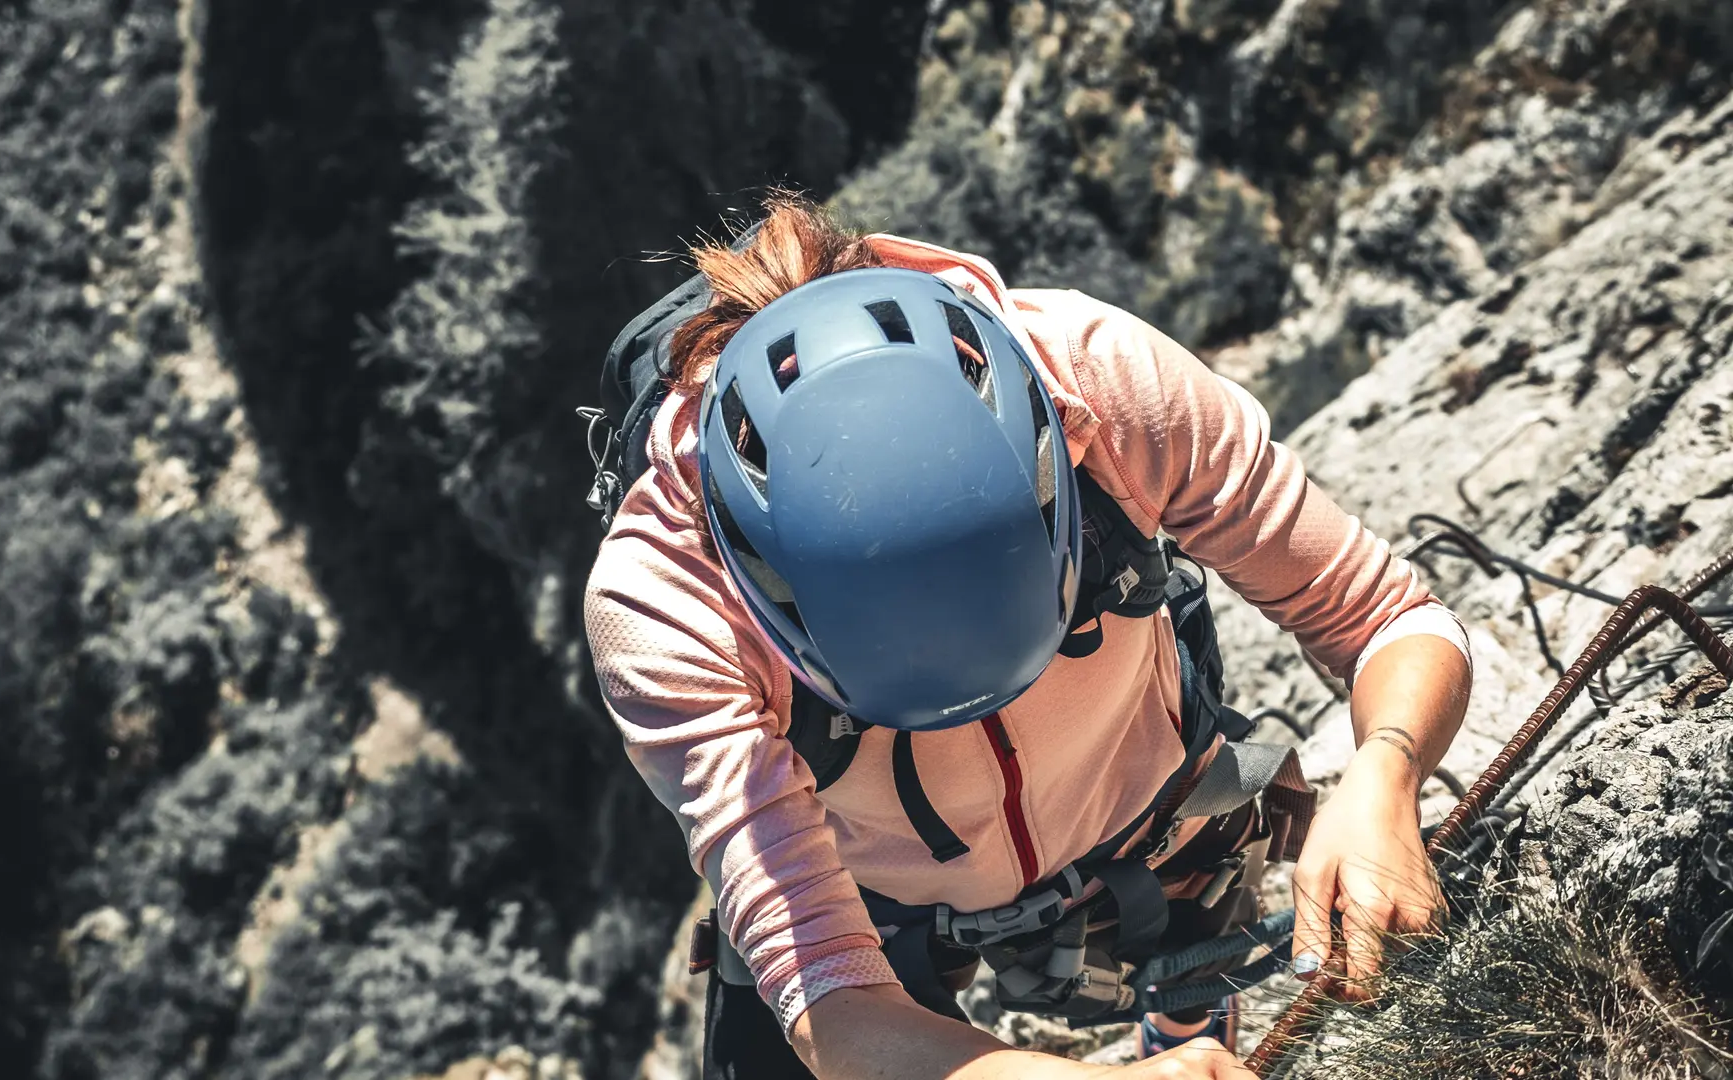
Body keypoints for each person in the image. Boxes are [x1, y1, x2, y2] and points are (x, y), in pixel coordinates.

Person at [583, 195, 1472, 1080]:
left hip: (1139, 809)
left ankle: (1181, 1022)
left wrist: (1384, 773)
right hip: (884, 899)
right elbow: (833, 1001)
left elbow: (1390, 619)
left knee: (1188, 948)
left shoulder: (1104, 383)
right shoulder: (666, 604)